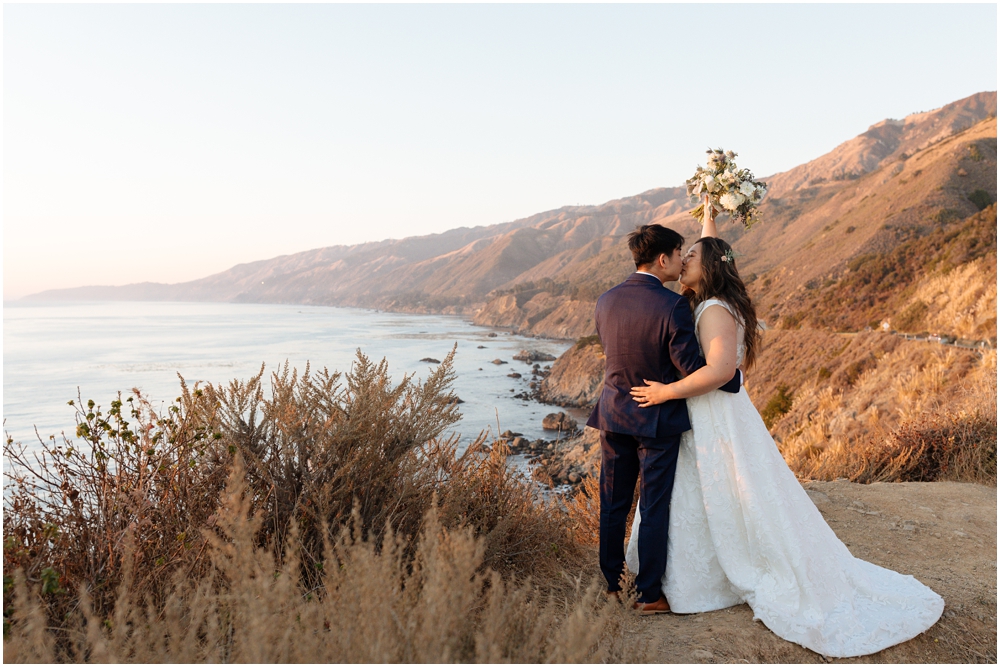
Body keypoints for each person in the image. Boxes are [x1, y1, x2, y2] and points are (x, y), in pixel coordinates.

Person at [625, 206, 944, 657]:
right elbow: (715, 252)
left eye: (690, 256)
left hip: (712, 410)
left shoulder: (713, 309)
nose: (681, 260)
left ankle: (706, 577)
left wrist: (665, 393)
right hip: (714, 412)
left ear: (706, 267)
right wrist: (709, 209)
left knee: (723, 488)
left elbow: (717, 371)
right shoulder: (713, 301)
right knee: (716, 491)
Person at [586, 224, 742, 615]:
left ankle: (610, 587)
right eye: (678, 254)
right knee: (654, 506)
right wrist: (731, 374)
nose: (681, 261)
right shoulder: (671, 306)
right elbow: (690, 367)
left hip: (613, 413)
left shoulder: (605, 300)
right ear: (662, 259)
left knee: (613, 503)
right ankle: (648, 595)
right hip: (656, 421)